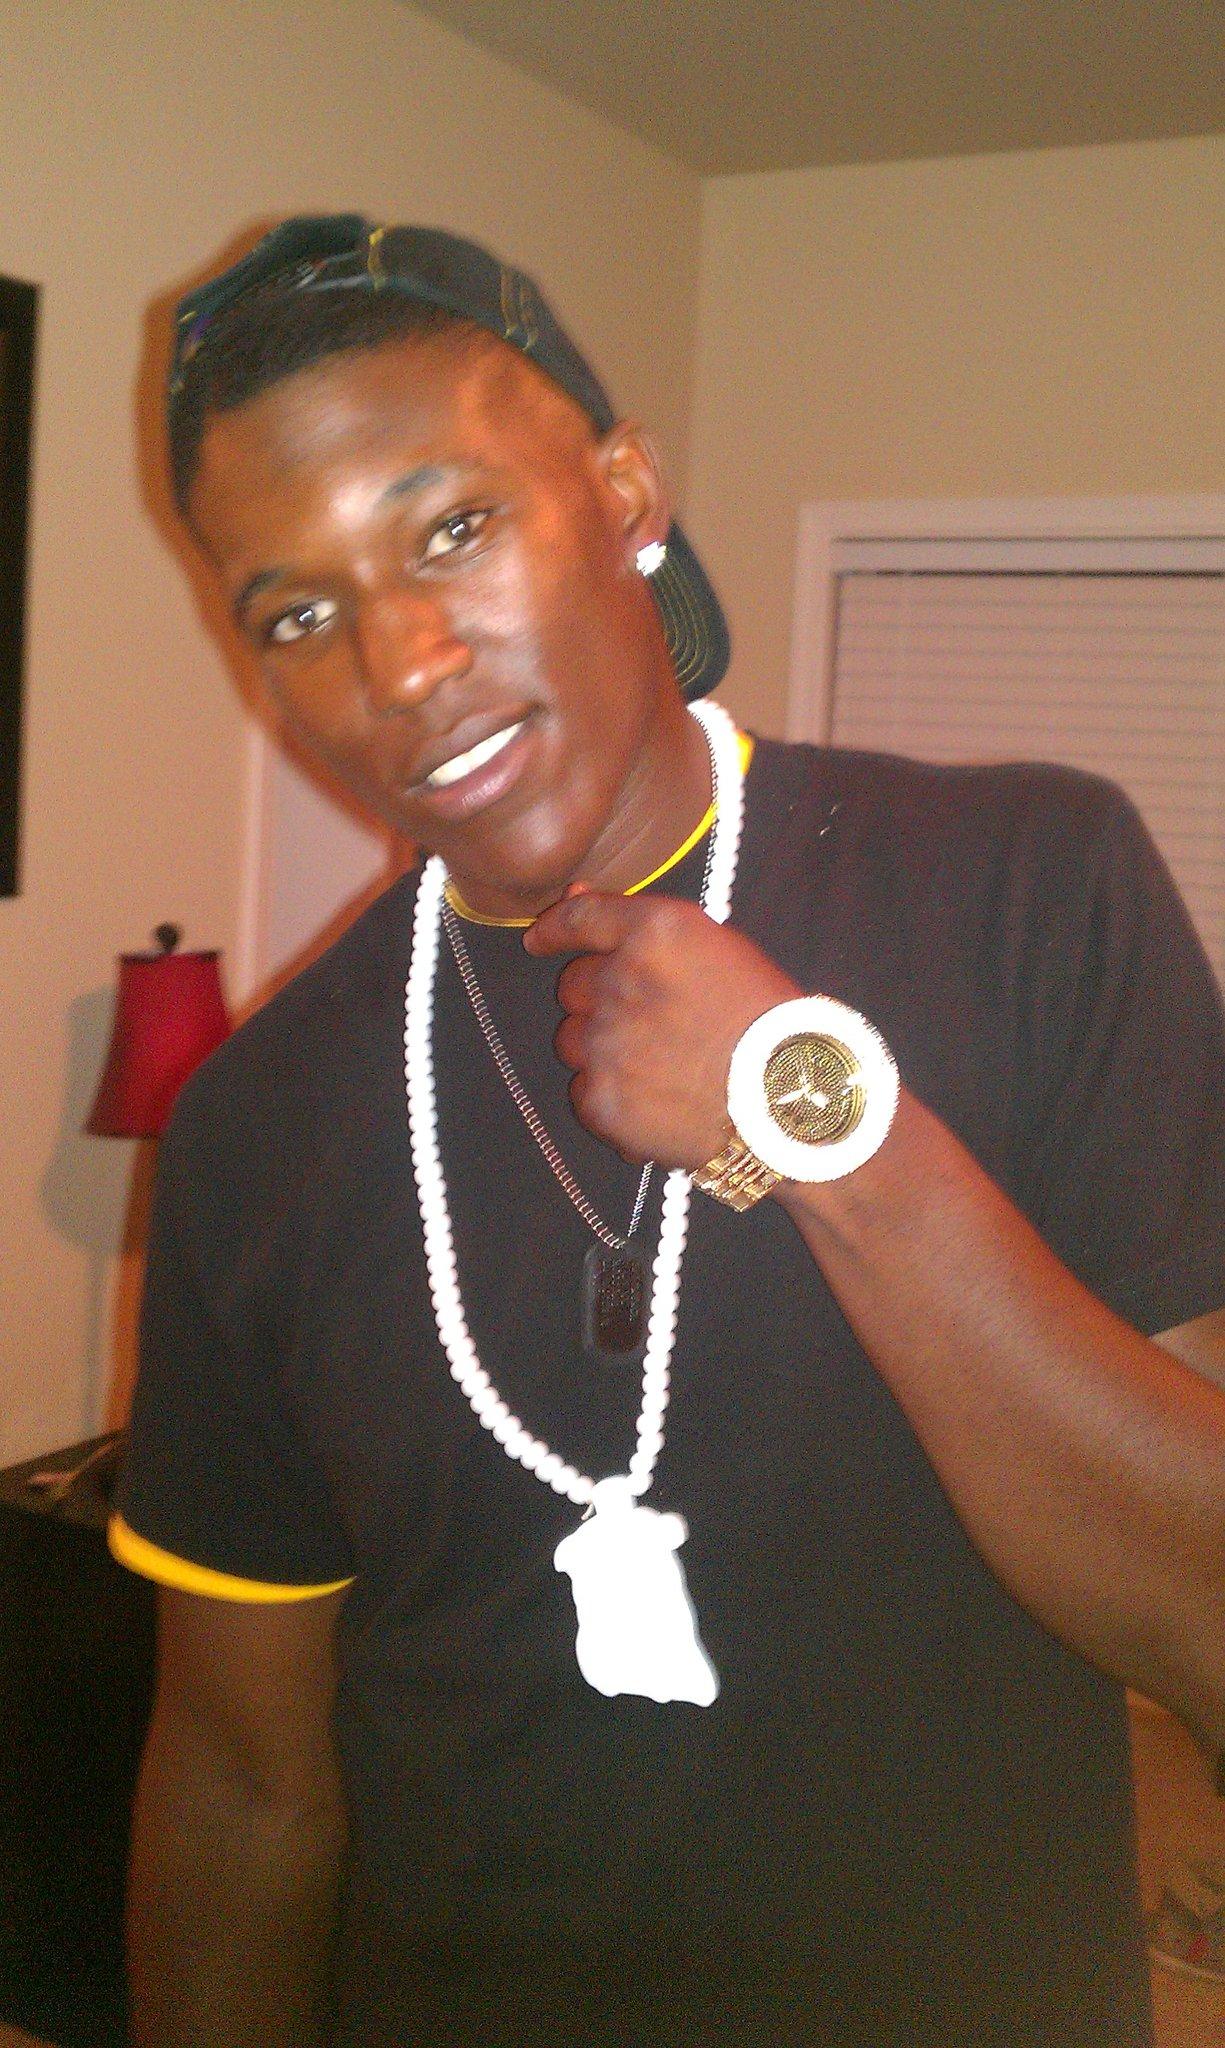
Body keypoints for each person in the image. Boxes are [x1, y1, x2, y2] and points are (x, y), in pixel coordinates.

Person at [111, 215, 1225, 2048]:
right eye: (296, 613)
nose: (396, 662)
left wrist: (809, 1122)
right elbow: (243, 1781)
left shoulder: (1031, 883)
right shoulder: (256, 1125)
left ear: (623, 492)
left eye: (451, 529)